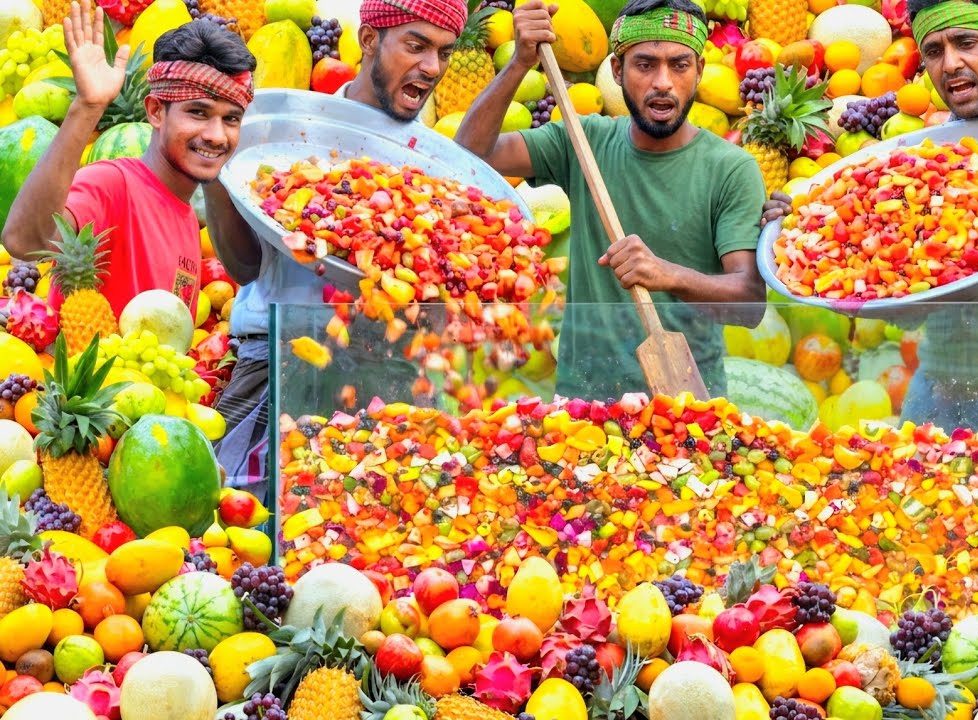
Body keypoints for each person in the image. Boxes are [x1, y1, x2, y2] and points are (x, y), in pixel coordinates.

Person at [765, 0, 978, 507]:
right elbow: (905, 303)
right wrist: (801, 228)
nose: (950, 64)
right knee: (938, 563)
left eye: (967, 43)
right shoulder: (918, 157)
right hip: (946, 383)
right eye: (934, 51)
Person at [203, 0, 511, 500]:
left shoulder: (435, 169)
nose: (431, 67)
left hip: (391, 379)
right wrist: (221, 176)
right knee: (241, 536)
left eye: (444, 52)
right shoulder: (284, 137)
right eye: (416, 46)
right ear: (369, 39)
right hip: (277, 364)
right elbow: (243, 267)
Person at [453, 0, 767, 401]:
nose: (663, 82)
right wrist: (519, 63)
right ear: (617, 71)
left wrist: (666, 274)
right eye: (645, 64)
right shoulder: (582, 141)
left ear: (700, 71)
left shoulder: (731, 169)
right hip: (585, 401)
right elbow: (469, 155)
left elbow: (749, 304)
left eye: (680, 65)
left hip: (686, 405)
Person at [1, 0, 254, 320]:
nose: (217, 134)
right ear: (155, 111)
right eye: (198, 112)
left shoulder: (188, 218)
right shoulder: (112, 184)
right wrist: (87, 107)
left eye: (231, 119)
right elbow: (24, 242)